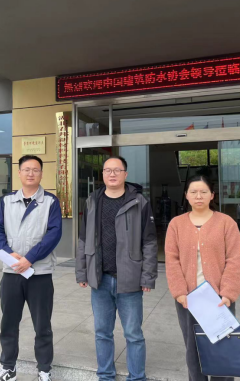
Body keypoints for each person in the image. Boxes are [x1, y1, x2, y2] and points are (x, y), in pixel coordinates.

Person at [76, 156, 158, 381]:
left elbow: (150, 242)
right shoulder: (93, 200)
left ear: (125, 174)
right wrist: (82, 271)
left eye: (117, 170)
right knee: (102, 332)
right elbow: (83, 239)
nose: (112, 174)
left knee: (133, 334)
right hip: (100, 278)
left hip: (130, 279)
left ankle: (137, 377)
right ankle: (105, 375)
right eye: (107, 170)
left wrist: (147, 276)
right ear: (102, 174)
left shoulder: (139, 201)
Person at [165, 175, 240, 381]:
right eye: (193, 192)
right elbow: (172, 260)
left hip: (219, 298)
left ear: (212, 195)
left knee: (222, 353)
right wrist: (180, 292)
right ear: (186, 196)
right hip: (188, 299)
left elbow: (234, 260)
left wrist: (228, 293)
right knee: (193, 353)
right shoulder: (176, 224)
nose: (198, 196)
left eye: (203, 192)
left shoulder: (226, 223)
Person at [0, 155, 62, 381]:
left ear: (41, 173)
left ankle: (44, 369)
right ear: (19, 173)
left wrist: (30, 258)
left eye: (35, 170)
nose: (31, 173)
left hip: (39, 273)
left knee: (42, 325)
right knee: (8, 323)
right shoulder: (7, 201)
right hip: (12, 272)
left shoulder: (50, 201)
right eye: (26, 169)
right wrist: (8, 252)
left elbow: (54, 234)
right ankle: (8, 367)